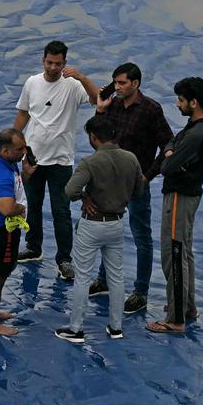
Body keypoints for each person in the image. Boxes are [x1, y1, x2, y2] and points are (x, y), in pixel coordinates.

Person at [88, 62, 173, 315]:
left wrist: (148, 175)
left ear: (136, 84)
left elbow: (168, 141)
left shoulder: (150, 109)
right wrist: (100, 111)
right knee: (105, 228)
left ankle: (141, 292)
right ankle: (103, 279)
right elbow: (96, 139)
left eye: (122, 83)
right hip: (110, 180)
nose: (117, 87)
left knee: (141, 236)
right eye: (115, 83)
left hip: (136, 183)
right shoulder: (111, 105)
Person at [12, 40, 99, 282]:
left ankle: (64, 259)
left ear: (65, 64)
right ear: (43, 60)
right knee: (33, 206)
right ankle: (33, 247)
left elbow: (97, 98)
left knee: (61, 211)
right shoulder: (32, 83)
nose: (53, 67)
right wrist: (11, 142)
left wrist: (81, 76)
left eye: (58, 64)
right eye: (49, 62)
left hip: (61, 161)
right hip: (33, 157)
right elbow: (23, 113)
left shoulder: (72, 85)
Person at [56, 116, 145, 343]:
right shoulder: (131, 158)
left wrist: (84, 196)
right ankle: (116, 327)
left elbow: (69, 190)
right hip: (116, 223)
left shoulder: (91, 162)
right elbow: (138, 190)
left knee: (83, 277)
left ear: (93, 137)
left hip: (92, 224)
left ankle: (76, 328)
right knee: (116, 276)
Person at [147, 77, 203, 335]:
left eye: (180, 100)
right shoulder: (198, 124)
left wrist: (169, 155)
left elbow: (167, 166)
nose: (177, 104)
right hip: (187, 194)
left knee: (174, 253)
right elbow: (170, 144)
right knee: (184, 251)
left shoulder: (196, 132)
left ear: (193, 102)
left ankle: (175, 319)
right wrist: (170, 150)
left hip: (180, 195)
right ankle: (186, 306)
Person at [0, 128, 35, 335]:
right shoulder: (1, 174)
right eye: (20, 149)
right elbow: (6, 208)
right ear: (4, 150)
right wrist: (21, 208)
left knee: (2, 269)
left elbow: (16, 188)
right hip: (1, 229)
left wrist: (26, 174)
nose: (24, 152)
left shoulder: (2, 162)